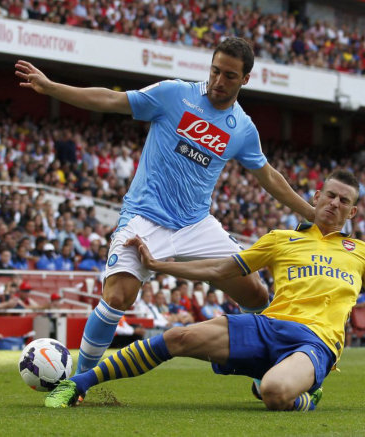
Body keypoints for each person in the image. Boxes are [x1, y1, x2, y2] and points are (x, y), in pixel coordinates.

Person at [16, 37, 315, 375]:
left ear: (245, 79)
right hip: (145, 217)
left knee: (257, 295)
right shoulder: (175, 94)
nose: (219, 81)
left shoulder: (243, 128)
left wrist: (310, 213)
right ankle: (79, 380)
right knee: (117, 296)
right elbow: (111, 99)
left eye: (230, 76)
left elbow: (269, 176)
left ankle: (265, 365)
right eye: (215, 71)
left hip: (196, 226)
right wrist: (52, 88)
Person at [43, 170, 365, 410]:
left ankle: (304, 396)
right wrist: (157, 265)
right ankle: (78, 385)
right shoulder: (281, 239)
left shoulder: (363, 253)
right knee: (179, 336)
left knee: (275, 393)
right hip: (267, 325)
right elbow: (220, 269)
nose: (334, 203)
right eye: (329, 194)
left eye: (343, 200)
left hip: (316, 342)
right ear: (315, 197)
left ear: (352, 211)